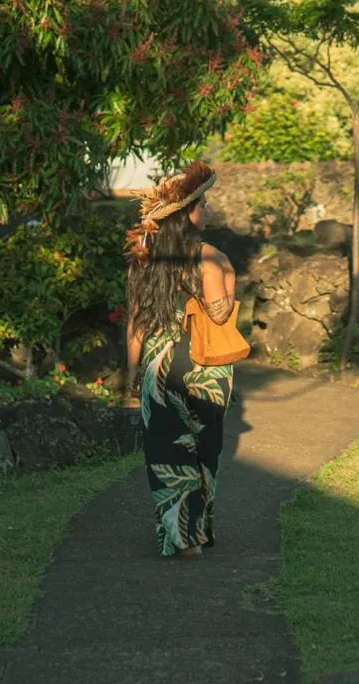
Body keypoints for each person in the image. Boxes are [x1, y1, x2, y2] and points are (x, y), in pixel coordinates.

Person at [123, 160, 237, 558]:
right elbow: (220, 313)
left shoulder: (142, 260)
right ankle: (198, 532)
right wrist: (229, 273)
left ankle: (179, 536)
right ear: (188, 213)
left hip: (160, 364)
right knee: (206, 450)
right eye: (202, 205)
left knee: (167, 450)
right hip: (206, 367)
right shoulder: (209, 257)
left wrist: (132, 375)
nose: (205, 211)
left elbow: (136, 325)